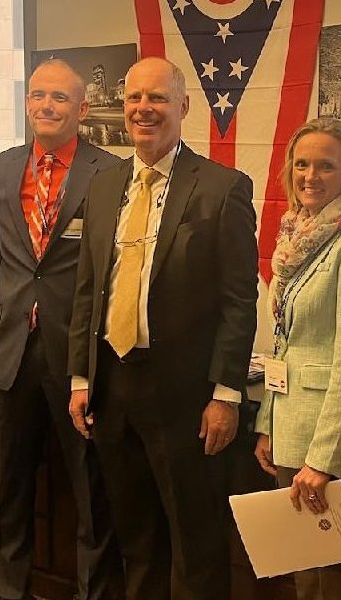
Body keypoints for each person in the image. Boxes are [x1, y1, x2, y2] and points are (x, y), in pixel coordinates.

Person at [66, 56, 259, 600]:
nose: (142, 109)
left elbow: (239, 301)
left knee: (196, 543)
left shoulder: (222, 187)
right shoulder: (104, 185)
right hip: (112, 388)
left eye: (156, 97)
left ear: (183, 106)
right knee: (137, 539)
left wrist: (226, 394)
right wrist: (80, 378)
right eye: (133, 97)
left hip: (185, 396)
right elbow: (88, 290)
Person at [0, 59, 124, 600]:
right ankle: (9, 591)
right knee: (9, 487)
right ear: (26, 103)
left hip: (77, 354)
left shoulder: (110, 171)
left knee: (90, 488)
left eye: (60, 98)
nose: (46, 105)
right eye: (38, 95)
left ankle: (94, 593)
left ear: (82, 109)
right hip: (10, 351)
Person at [252, 117, 341, 600]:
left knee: (336, 585)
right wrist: (268, 425)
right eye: (302, 164)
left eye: (326, 166)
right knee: (306, 581)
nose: (310, 176)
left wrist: (324, 461)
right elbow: (284, 344)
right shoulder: (298, 238)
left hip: (332, 448)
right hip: (292, 431)